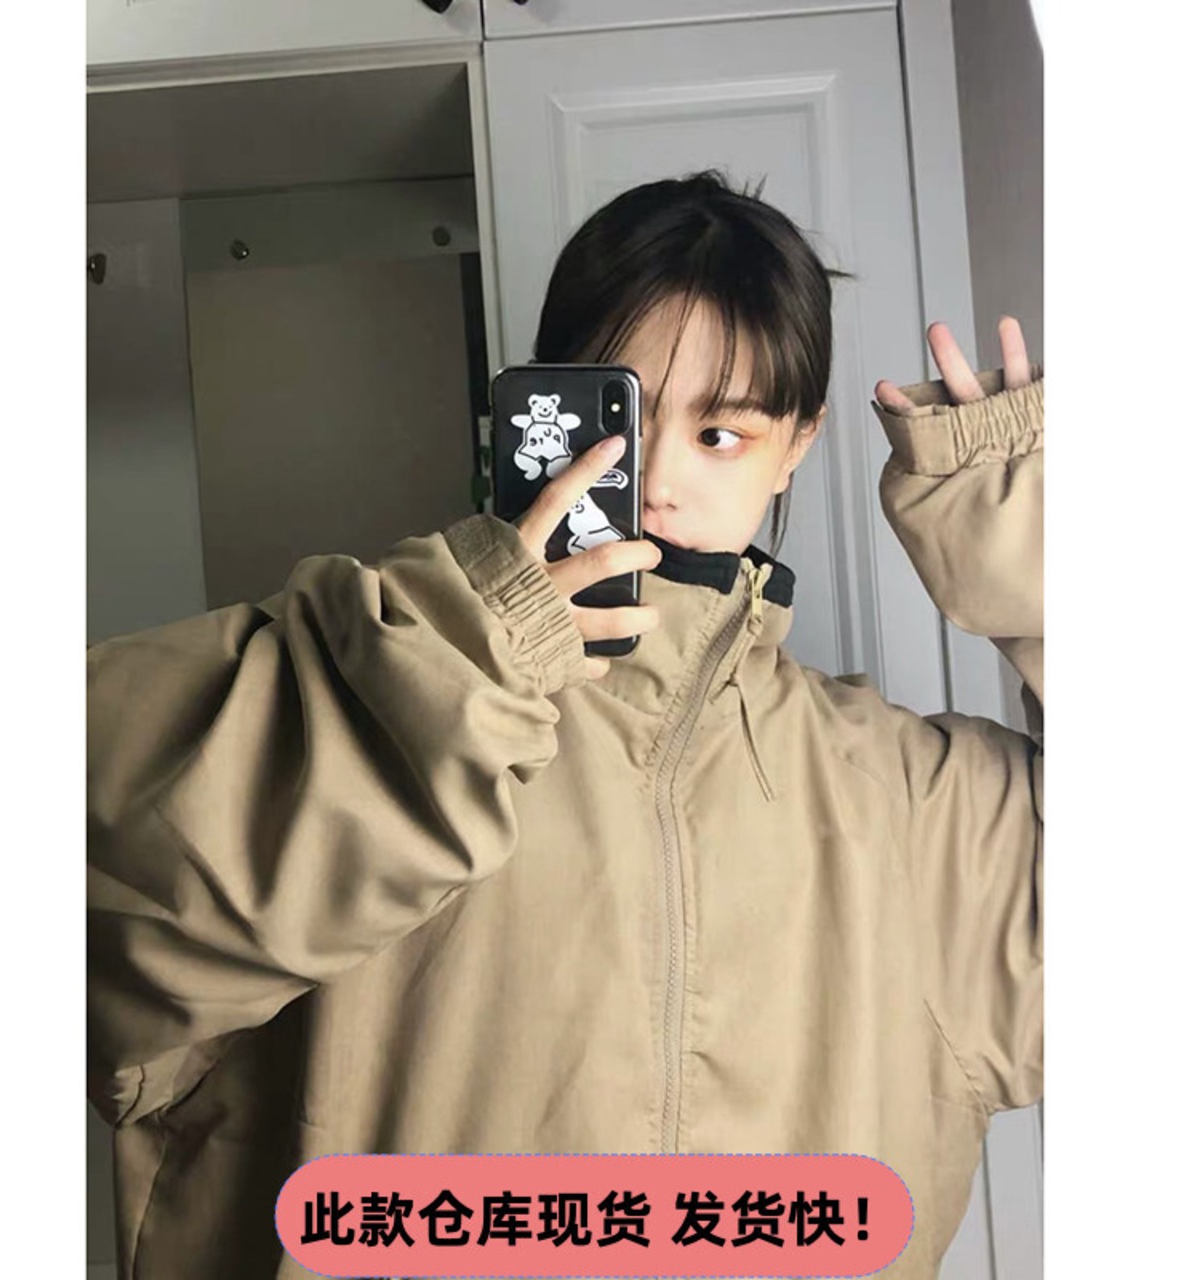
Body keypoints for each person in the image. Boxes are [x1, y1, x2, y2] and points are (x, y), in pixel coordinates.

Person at [87, 172, 1042, 1279]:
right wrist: (444, 662)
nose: (658, 481)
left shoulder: (913, 802)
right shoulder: (369, 686)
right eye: (620, 419)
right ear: (537, 411)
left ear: (797, 442)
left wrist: (1047, 578)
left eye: (721, 432)